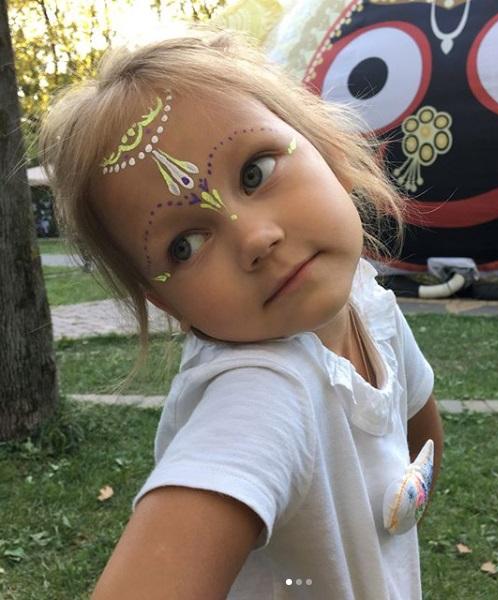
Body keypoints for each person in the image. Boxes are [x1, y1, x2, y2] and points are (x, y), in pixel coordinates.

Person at [39, 26, 444, 600]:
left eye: (255, 172)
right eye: (185, 245)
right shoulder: (264, 391)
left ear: (329, 151)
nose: (254, 238)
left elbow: (420, 438)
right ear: (168, 303)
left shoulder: (365, 298)